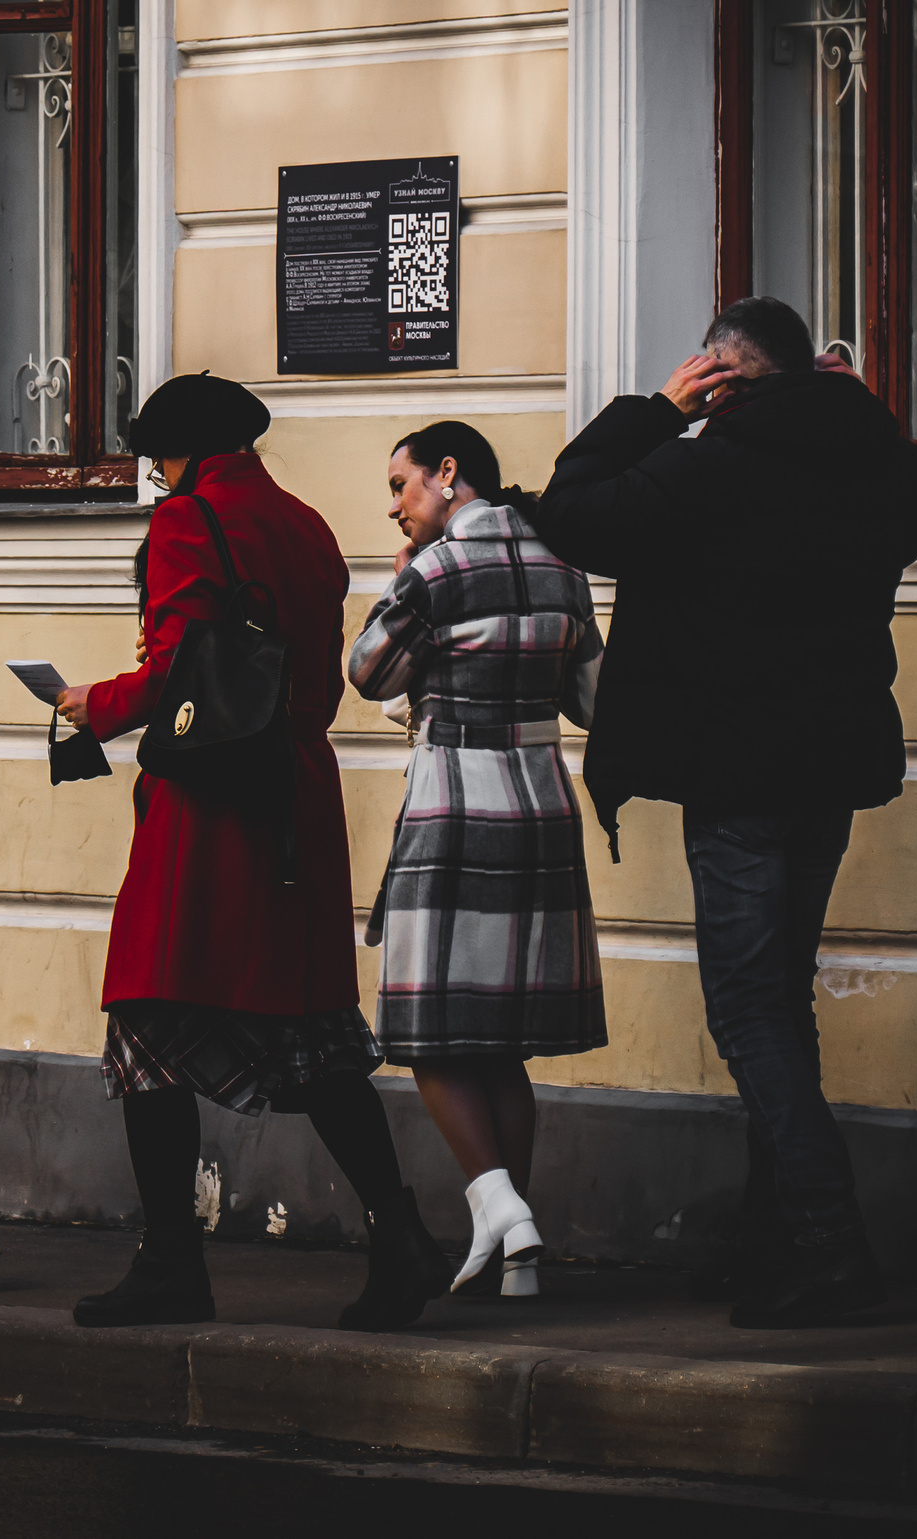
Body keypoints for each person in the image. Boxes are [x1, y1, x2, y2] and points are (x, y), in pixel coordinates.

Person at [532, 297, 917, 1329]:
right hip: (829, 771)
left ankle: (828, 1243)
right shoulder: (872, 460)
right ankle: (772, 1243)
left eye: (704, 377)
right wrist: (853, 407)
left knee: (750, 1009)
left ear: (722, 372)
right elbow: (915, 512)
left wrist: (658, 411)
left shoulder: (708, 464)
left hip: (741, 778)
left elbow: (568, 512)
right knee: (779, 1002)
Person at [55, 374, 450, 1331]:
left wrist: (88, 707)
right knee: (308, 1032)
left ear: (185, 452)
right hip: (295, 793)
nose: (153, 471)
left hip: (214, 800)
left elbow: (177, 659)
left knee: (147, 1018)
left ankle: (171, 1264)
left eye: (158, 454)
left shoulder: (189, 520)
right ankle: (399, 1238)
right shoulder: (307, 523)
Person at [346, 421, 608, 1301]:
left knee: (424, 1025)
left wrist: (396, 595)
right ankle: (514, 1253)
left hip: (456, 802)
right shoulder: (562, 569)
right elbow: (591, 698)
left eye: (400, 484)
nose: (395, 505)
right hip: (540, 805)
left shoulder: (437, 572)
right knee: (500, 1041)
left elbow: (369, 673)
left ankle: (497, 1203)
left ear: (449, 474)